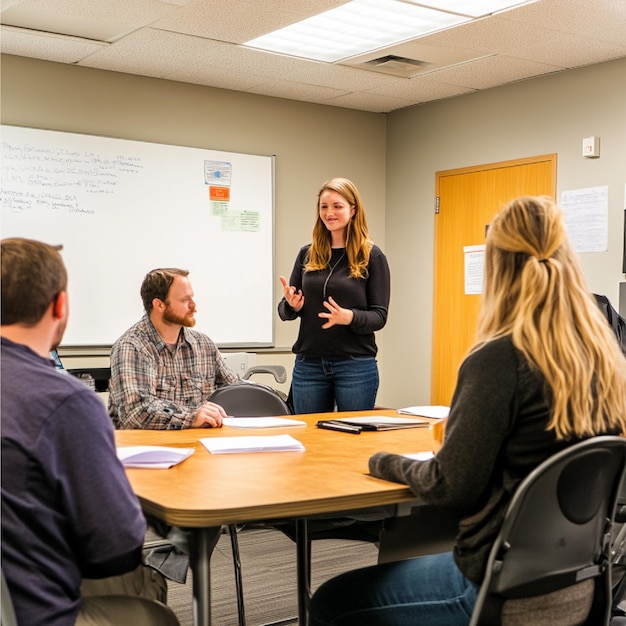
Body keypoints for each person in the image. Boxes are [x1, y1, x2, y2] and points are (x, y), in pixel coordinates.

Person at [308, 195, 626, 625]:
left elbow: (449, 485)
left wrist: (383, 461)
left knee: (332, 600)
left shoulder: (500, 359)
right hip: (580, 586)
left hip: (497, 589)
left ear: (497, 268)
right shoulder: (604, 357)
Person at [0, 238, 179, 626]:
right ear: (59, 306)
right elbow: (116, 547)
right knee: (147, 594)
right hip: (31, 610)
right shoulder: (64, 402)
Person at [278, 177, 390, 413]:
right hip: (309, 364)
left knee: (353, 442)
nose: (329, 213)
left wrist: (348, 317)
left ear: (353, 209)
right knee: (310, 441)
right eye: (324, 207)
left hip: (355, 365)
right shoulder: (307, 254)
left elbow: (379, 316)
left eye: (337, 206)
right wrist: (292, 305)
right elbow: (285, 311)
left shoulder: (372, 255)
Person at [109, 267, 239, 429]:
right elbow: (136, 412)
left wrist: (276, 398)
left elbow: (236, 388)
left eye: (192, 297)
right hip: (147, 449)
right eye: (185, 300)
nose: (193, 305)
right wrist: (191, 418)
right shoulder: (131, 347)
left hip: (200, 445)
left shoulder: (203, 344)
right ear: (159, 305)